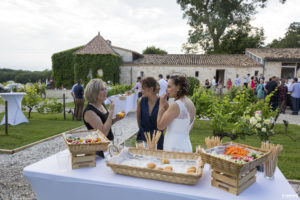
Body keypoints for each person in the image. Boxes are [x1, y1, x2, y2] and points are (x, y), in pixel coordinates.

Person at [83, 79, 124, 157]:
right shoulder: (89, 112)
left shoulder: (101, 104)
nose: (105, 92)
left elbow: (106, 124)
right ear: (94, 92)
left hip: (108, 145)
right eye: (102, 89)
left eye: (105, 89)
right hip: (99, 151)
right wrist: (111, 112)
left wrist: (116, 119)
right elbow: (103, 133)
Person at [157, 75, 196, 152]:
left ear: (178, 87)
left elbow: (160, 126)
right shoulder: (190, 103)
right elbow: (184, 126)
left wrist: (161, 106)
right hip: (186, 146)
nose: (166, 89)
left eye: (169, 86)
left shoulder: (176, 105)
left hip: (174, 148)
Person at [136, 77, 164, 149]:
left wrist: (160, 131)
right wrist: (142, 130)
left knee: (157, 159)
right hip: (143, 137)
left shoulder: (162, 102)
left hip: (157, 138)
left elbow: (167, 120)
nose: (141, 90)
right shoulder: (140, 101)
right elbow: (138, 119)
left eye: (143, 88)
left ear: (151, 89)